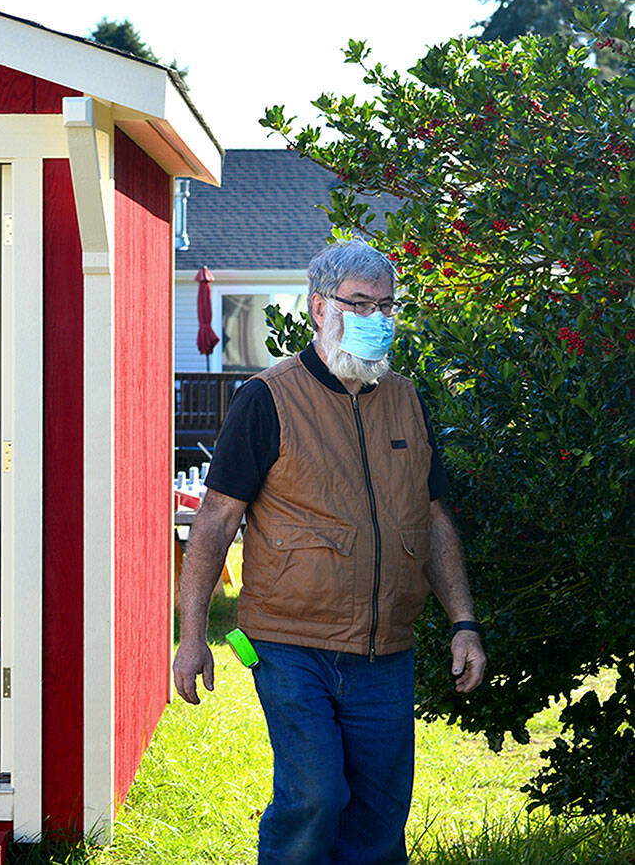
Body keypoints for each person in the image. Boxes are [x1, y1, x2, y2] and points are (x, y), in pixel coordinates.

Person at [172, 239, 487, 865]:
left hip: (386, 650)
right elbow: (216, 520)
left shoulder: (406, 399)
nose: (379, 319)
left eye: (388, 307)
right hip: (289, 645)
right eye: (362, 304)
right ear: (320, 309)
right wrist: (191, 634)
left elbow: (433, 520)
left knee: (379, 810)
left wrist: (464, 624)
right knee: (314, 797)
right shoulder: (266, 399)